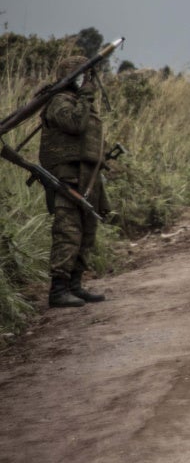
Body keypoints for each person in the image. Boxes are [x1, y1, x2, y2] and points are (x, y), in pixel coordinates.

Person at [39, 56, 108, 307]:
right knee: (68, 232)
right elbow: (75, 124)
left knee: (87, 232)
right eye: (83, 76)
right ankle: (58, 290)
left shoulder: (79, 102)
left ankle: (75, 285)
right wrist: (86, 97)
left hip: (86, 176)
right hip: (67, 177)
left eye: (89, 76)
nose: (87, 81)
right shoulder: (59, 101)